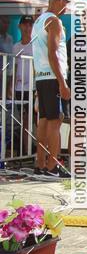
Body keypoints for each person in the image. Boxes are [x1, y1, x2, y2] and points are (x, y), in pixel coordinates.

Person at [31, 0, 71, 178]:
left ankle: (40, 164)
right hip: (53, 76)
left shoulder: (38, 21)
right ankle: (52, 166)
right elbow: (53, 53)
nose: (66, 7)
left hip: (42, 76)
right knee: (56, 120)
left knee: (44, 121)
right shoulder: (54, 21)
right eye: (66, 3)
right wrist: (62, 82)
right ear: (58, 0)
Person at [12, 15, 35, 155]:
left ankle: (36, 152)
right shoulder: (16, 46)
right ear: (19, 26)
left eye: (30, 25)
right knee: (23, 122)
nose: (27, 28)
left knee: (35, 121)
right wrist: (12, 85)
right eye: (25, 25)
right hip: (20, 89)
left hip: (33, 89)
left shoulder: (35, 45)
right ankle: (26, 152)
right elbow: (14, 67)